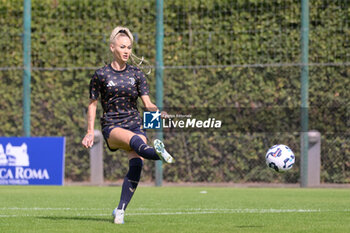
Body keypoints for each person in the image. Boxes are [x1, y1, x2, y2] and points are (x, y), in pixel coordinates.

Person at [81, 26, 174, 224]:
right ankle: (159, 154)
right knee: (136, 142)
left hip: (134, 122)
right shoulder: (101, 74)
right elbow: (93, 104)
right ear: (112, 47)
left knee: (138, 162)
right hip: (112, 126)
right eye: (122, 47)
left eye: (129, 47)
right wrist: (90, 131)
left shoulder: (137, 74)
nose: (126, 51)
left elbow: (147, 104)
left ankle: (120, 210)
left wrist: (158, 113)